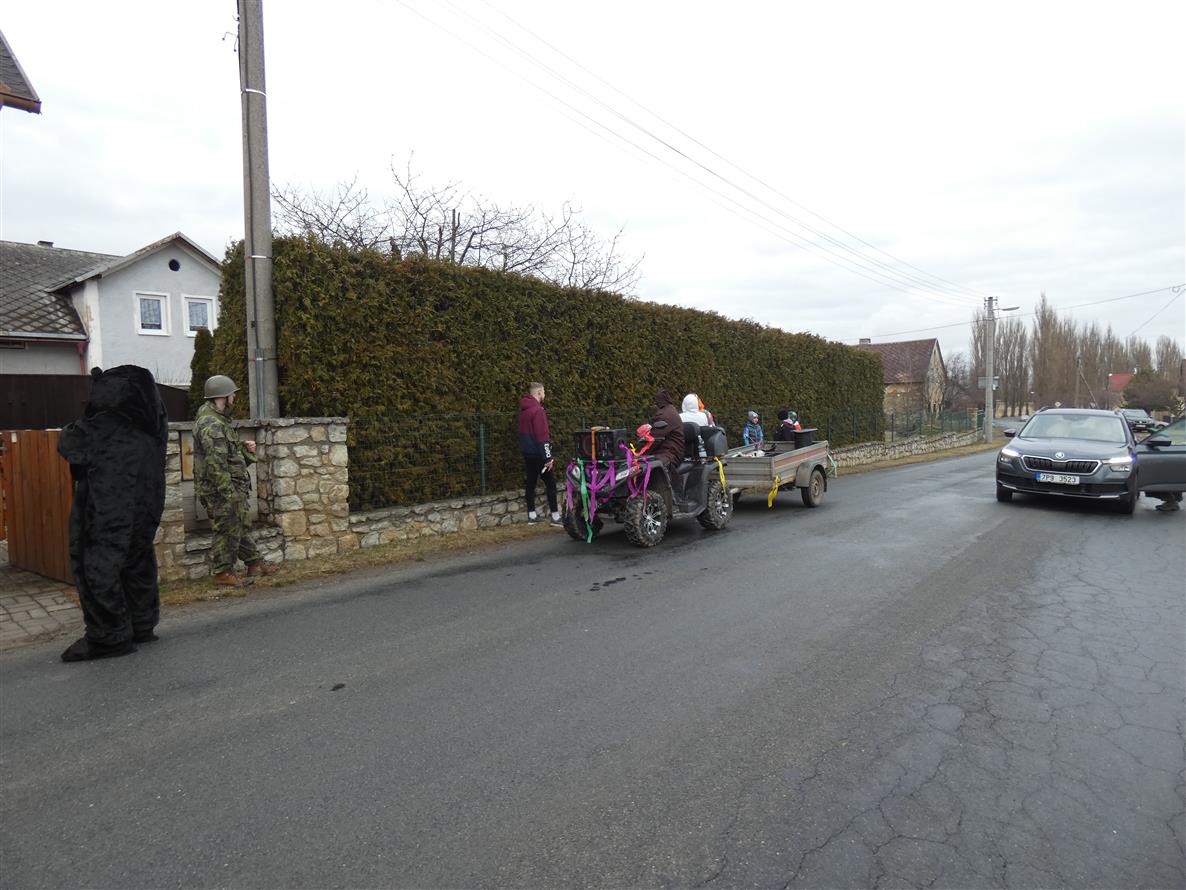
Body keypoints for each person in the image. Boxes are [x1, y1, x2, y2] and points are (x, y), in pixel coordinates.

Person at [56, 366, 169, 661]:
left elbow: (68, 443)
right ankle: (142, 624)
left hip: (108, 510)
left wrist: (88, 418)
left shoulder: (105, 425)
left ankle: (109, 637)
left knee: (97, 566)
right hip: (145, 508)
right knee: (138, 561)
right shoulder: (154, 428)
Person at [194, 375, 278, 586]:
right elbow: (215, 464)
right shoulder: (211, 423)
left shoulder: (219, 419)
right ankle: (222, 572)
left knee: (238, 525)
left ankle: (254, 563)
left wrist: (244, 450)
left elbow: (226, 455)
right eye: (232, 394)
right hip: (221, 489)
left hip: (230, 486)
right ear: (222, 395)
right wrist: (228, 492)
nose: (234, 397)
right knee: (227, 528)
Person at [518, 382, 560, 525]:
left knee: (530, 483)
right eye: (544, 391)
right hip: (539, 454)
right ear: (539, 392)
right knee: (551, 484)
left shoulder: (524, 411)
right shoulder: (538, 411)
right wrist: (548, 457)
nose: (544, 394)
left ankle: (532, 515)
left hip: (528, 453)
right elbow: (542, 436)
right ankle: (555, 517)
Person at [648, 390, 686, 469]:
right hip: (674, 451)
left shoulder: (663, 415)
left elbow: (653, 438)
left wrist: (638, 453)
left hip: (670, 453)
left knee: (649, 467)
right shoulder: (671, 410)